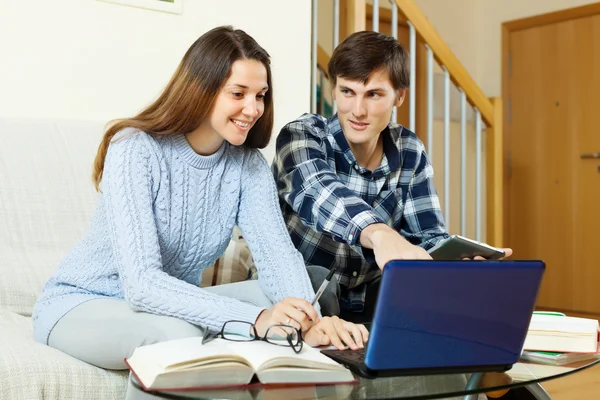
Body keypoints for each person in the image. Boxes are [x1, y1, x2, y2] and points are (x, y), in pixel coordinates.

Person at [32, 26, 369, 377]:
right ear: (202, 89)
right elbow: (142, 284)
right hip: (86, 302)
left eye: (261, 95)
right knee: (180, 337)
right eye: (238, 93)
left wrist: (308, 321)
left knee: (305, 295)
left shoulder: (247, 165)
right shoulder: (134, 149)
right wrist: (256, 320)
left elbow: (277, 254)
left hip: (168, 304)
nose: (252, 109)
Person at [272, 30, 512, 322]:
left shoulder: (409, 149)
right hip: (299, 299)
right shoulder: (302, 135)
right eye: (347, 92)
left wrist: (457, 260)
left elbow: (426, 237)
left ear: (399, 96)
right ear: (334, 89)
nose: (357, 110)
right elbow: (319, 190)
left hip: (374, 304)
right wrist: (379, 233)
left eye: (373, 94)